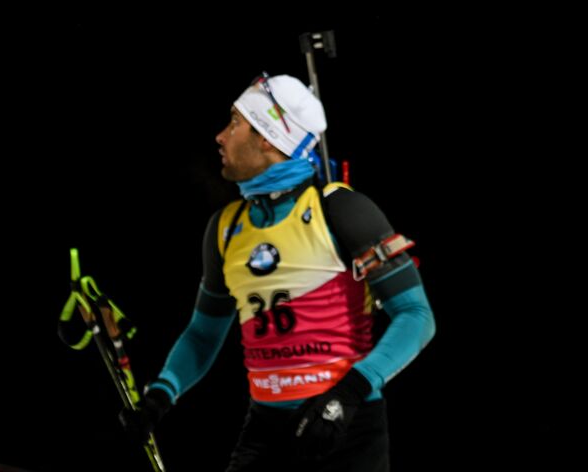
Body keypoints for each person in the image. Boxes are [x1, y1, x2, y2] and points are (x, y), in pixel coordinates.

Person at [120, 73, 436, 471]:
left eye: (235, 123)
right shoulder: (225, 227)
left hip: (345, 428)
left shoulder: (340, 209)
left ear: (268, 138)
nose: (220, 136)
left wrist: (351, 392)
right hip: (265, 431)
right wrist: (159, 397)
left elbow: (416, 316)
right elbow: (203, 334)